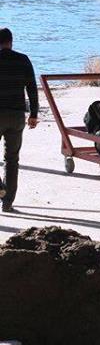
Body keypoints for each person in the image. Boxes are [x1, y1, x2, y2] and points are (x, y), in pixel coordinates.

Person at [0, 28, 38, 213]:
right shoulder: (23, 60)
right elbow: (32, 88)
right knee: (12, 159)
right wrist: (34, 114)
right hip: (16, 116)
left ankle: (0, 187)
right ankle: (7, 203)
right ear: (11, 41)